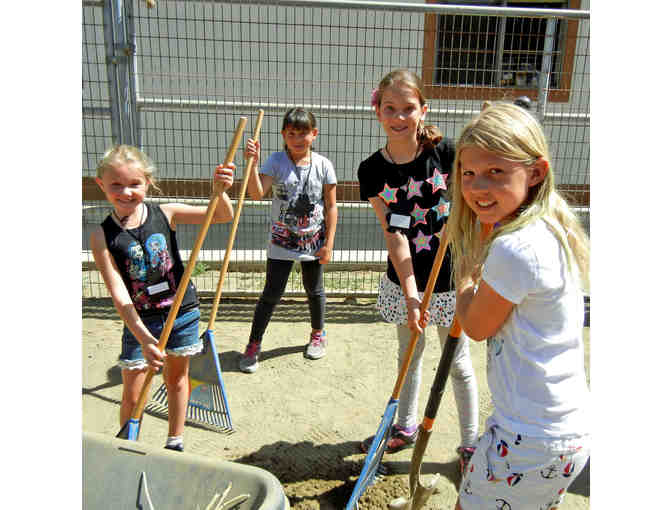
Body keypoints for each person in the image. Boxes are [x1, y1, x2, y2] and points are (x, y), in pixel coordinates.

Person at [446, 101, 590, 510]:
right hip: (557, 427)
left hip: (531, 435)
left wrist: (465, 276)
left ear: (536, 171)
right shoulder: (549, 224)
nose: (477, 188)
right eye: (469, 173)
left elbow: (475, 326)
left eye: (496, 172)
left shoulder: (516, 247)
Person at [357, 69, 479, 473]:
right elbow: (395, 237)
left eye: (408, 108)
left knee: (457, 362)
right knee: (410, 353)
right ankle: (406, 426)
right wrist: (410, 294)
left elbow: (474, 201)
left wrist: (462, 225)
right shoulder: (372, 170)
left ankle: (469, 444)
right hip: (408, 279)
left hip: (451, 277)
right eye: (389, 108)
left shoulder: (446, 155)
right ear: (377, 111)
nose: (398, 117)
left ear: (422, 110)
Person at [91, 145, 235, 452]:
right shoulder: (101, 235)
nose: (126, 192)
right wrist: (143, 338)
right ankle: (129, 448)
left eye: (134, 184)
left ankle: (174, 443)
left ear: (148, 182)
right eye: (115, 184)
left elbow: (222, 214)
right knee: (132, 392)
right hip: (139, 321)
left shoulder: (165, 213)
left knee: (176, 379)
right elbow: (118, 291)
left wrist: (219, 190)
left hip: (180, 313)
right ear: (101, 184)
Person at [238, 107, 338, 373]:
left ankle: (318, 333)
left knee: (314, 291)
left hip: (314, 243)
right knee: (271, 294)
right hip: (281, 243)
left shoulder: (323, 165)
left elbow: (330, 206)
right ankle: (253, 343)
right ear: (284, 134)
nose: (297, 138)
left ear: (313, 134)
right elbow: (257, 194)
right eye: (292, 133)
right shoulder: (275, 161)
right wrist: (252, 163)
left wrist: (328, 243)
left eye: (303, 133)